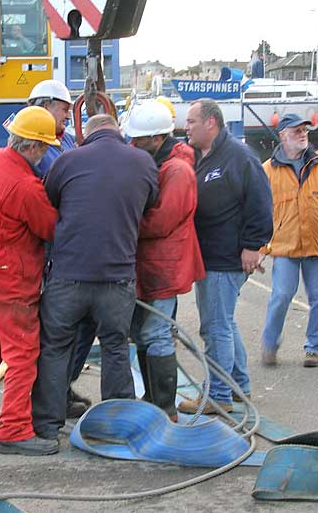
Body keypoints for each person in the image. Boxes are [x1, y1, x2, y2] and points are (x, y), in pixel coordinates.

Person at [31, 114, 158, 442]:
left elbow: (52, 199)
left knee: (56, 348)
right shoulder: (143, 162)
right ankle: (116, 427)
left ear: (86, 134)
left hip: (68, 276)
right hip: (117, 277)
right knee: (116, 346)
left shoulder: (66, 160)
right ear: (118, 131)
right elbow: (149, 204)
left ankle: (47, 425)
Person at [0, 106, 60, 456]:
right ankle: (15, 429)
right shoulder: (26, 186)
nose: (47, 153)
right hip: (8, 274)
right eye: (45, 147)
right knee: (22, 351)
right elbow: (49, 227)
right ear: (32, 146)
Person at [178, 99, 273, 415]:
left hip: (225, 257)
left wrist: (253, 245)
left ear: (211, 123)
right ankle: (238, 386)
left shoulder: (239, 157)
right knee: (225, 324)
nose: (186, 127)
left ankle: (218, 395)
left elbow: (261, 204)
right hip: (211, 255)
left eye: (191, 121)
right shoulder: (204, 156)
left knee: (215, 327)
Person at [124, 102, 205, 420]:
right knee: (146, 334)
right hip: (153, 264)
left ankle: (165, 407)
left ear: (157, 138)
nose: (132, 144)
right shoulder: (161, 164)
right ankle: (152, 397)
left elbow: (161, 222)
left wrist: (123, 224)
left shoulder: (177, 171)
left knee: (157, 333)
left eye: (138, 140)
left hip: (165, 265)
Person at [28, 79, 93, 417]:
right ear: (44, 105)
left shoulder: (64, 140)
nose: (69, 114)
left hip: (72, 242)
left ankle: (62, 387)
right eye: (64, 108)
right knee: (58, 326)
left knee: (83, 323)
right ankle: (49, 398)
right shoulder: (34, 146)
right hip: (54, 247)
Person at [260, 113, 318, 368]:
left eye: (304, 130)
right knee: (280, 296)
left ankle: (314, 349)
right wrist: (260, 248)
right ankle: (269, 345)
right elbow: (260, 212)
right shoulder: (268, 170)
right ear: (282, 136)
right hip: (285, 246)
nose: (303, 134)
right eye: (296, 130)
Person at [27, 80, 75, 176]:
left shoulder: (69, 139)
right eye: (65, 110)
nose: (68, 116)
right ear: (46, 108)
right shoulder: (29, 147)